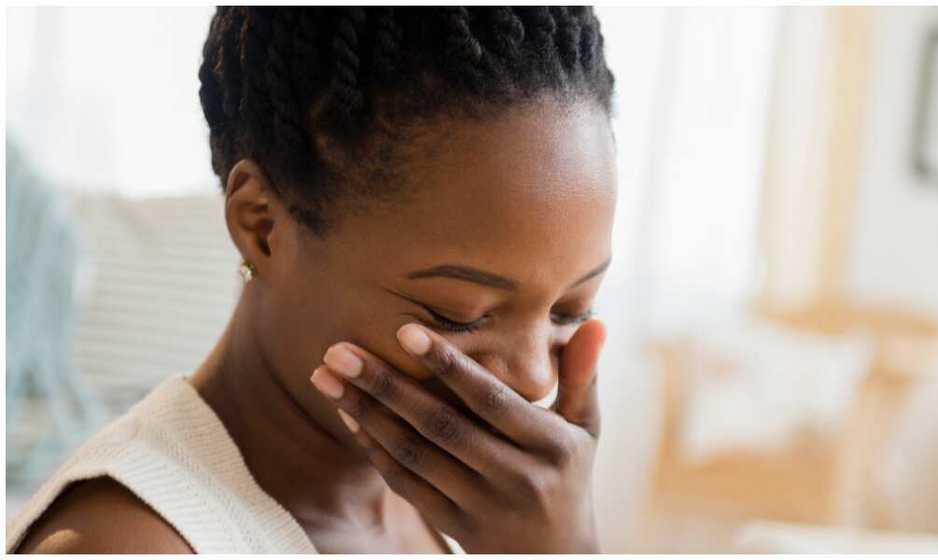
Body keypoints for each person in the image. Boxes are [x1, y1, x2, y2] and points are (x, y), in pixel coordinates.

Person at [7, 6, 617, 553]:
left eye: (570, 309)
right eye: (458, 313)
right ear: (263, 226)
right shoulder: (128, 543)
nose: (536, 379)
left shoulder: (474, 512)